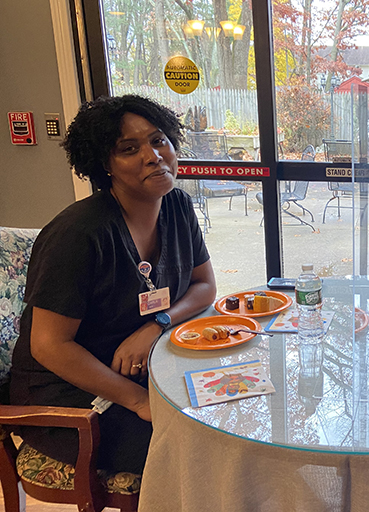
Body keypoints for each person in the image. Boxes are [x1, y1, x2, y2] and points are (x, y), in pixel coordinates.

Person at [10, 95, 217, 474]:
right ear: (104, 165)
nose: (153, 156)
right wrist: (137, 400)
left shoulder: (178, 207)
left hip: (144, 366)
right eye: (129, 149)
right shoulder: (79, 233)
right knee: (197, 450)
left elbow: (204, 286)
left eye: (158, 140)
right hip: (71, 397)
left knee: (228, 415)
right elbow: (48, 345)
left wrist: (158, 324)